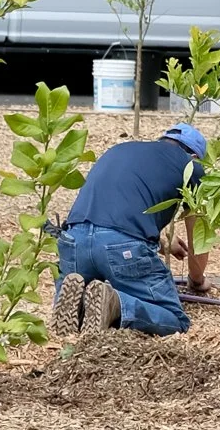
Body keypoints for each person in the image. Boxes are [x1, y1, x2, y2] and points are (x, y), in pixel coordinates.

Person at [52, 123, 209, 337]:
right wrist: (197, 280)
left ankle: (79, 306)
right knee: (174, 319)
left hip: (73, 240)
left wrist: (162, 242)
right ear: (193, 157)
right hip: (120, 249)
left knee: (86, 292)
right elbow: (199, 239)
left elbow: (112, 211)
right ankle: (117, 304)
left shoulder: (120, 150)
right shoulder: (191, 169)